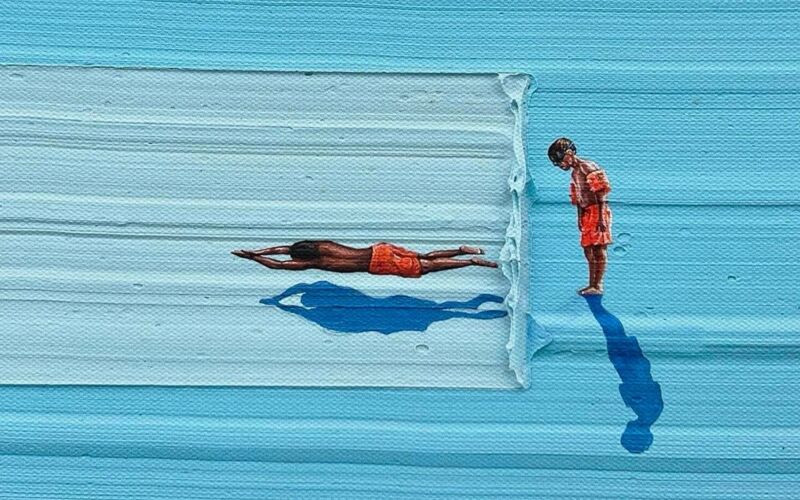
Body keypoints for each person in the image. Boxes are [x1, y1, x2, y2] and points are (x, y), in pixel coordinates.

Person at [548, 137, 613, 295]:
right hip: (587, 214)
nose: (560, 165)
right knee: (588, 250)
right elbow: (577, 198)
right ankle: (592, 283)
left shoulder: (587, 167)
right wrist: (580, 217)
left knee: (598, 249)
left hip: (597, 211)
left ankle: (597, 285)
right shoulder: (574, 173)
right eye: (557, 164)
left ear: (569, 153)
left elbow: (601, 193)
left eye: (560, 161)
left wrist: (601, 218)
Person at [232, 240, 497, 278]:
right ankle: (461, 250)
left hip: (377, 264)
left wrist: (254, 258)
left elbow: (279, 264)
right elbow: (283, 249)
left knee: (425, 268)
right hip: (378, 250)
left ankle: (469, 262)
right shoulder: (323, 246)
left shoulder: (315, 263)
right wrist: (259, 251)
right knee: (423, 256)